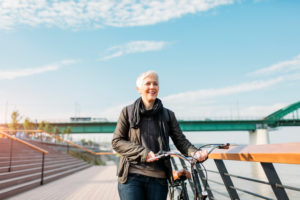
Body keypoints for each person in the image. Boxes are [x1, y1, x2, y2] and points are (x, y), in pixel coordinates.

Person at [112, 70, 208, 200]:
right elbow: (117, 141)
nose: (152, 87)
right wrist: (143, 153)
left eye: (155, 84)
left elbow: (180, 140)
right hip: (132, 176)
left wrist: (195, 152)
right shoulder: (127, 112)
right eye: (148, 84)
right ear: (139, 89)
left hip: (159, 179)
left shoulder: (168, 115)